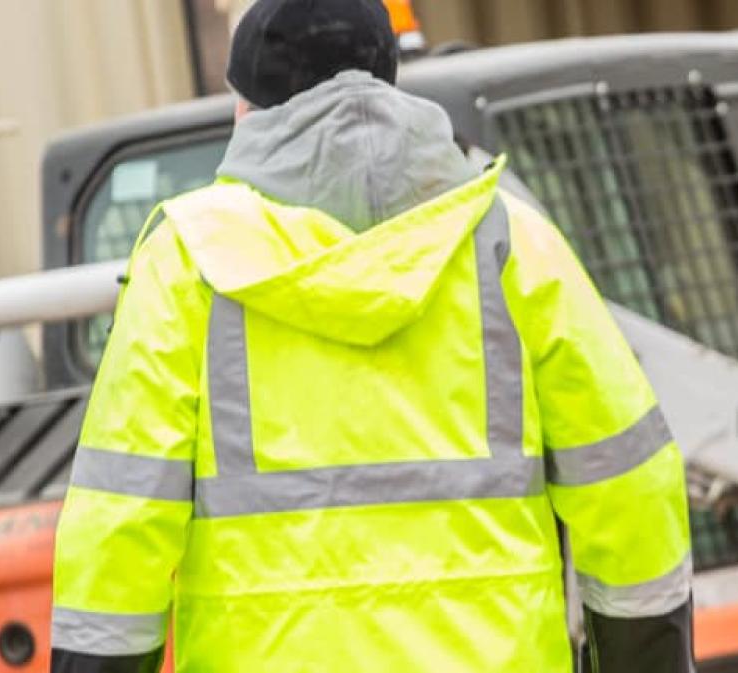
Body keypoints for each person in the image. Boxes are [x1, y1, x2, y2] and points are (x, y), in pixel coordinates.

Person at [50, 1, 695, 671]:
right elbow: (633, 489)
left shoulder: (186, 261)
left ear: (247, 108)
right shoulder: (511, 242)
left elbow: (116, 530)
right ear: (391, 84)